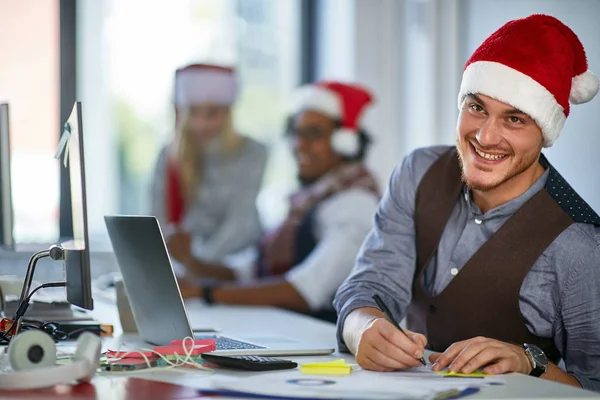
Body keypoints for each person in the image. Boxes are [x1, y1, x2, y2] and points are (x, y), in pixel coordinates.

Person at [334, 14, 600, 391]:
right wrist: (361, 327)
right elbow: (371, 281)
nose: (486, 136)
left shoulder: (581, 244)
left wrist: (529, 362)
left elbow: (594, 386)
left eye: (514, 119)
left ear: (546, 130)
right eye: (476, 108)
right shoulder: (418, 171)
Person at [178, 81, 381, 322]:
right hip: (293, 331)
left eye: (314, 133)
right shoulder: (308, 201)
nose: (299, 144)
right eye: (296, 133)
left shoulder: (356, 204)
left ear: (344, 141)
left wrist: (204, 292)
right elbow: (250, 271)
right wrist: (190, 262)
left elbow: (306, 291)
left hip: (327, 347)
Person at [150, 64, 267, 279]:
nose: (202, 123)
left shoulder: (253, 152)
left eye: (212, 113)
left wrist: (195, 265)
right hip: (183, 269)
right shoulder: (169, 156)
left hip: (238, 268)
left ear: (228, 112)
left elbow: (239, 224)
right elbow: (157, 222)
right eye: (194, 113)